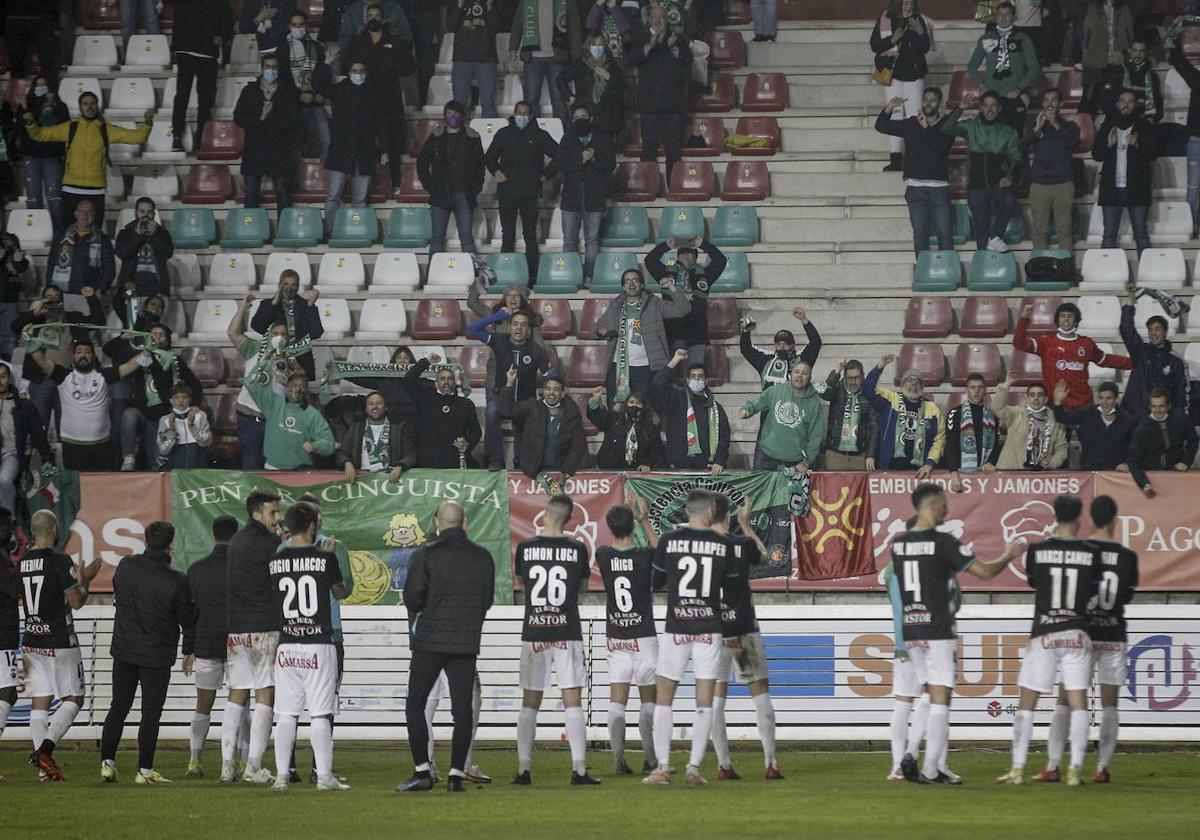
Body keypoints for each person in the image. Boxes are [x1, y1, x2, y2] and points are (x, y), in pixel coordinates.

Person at [893, 484, 1023, 784]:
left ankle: (913, 753)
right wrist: (1008, 554)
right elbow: (986, 573)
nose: (947, 510)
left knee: (927, 693)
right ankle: (931, 768)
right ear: (929, 505)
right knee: (941, 698)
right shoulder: (944, 542)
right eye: (942, 505)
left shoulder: (898, 545)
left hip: (912, 627)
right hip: (938, 627)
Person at [997, 494, 1102, 787]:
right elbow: (1093, 590)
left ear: (1054, 516)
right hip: (1077, 630)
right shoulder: (1091, 552)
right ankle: (1074, 771)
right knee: (1079, 703)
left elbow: (1034, 582)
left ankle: (1017, 769)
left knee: (1027, 702)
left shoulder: (1038, 550)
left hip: (1045, 630)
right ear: (1080, 518)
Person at [1031, 494, 1137, 785]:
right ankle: (1102, 768)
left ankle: (1053, 765)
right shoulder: (1128, 556)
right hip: (1114, 633)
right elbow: (1125, 595)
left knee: (1066, 700)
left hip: (1084, 633)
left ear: (1089, 519)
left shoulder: (1086, 549)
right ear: (1115, 519)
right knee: (1110, 704)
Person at [397, 501, 495, 793]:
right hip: (465, 641)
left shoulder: (424, 555)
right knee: (462, 710)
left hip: (429, 641)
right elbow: (486, 600)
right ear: (465, 524)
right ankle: (455, 774)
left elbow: (413, 599)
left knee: (416, 703)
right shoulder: (483, 557)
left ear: (437, 522)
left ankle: (422, 771)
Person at [643, 490, 732, 786]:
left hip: (677, 626)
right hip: (710, 626)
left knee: (664, 697)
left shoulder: (668, 541)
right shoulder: (723, 544)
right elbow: (730, 589)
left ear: (688, 511)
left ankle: (663, 768)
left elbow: (655, 582)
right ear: (709, 512)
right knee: (704, 700)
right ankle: (694, 768)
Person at [512, 494, 600, 785]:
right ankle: (579, 769)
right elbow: (582, 587)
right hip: (567, 630)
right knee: (572, 699)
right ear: (570, 519)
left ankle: (524, 770)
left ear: (544, 513)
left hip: (535, 629)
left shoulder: (525, 547)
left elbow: (524, 583)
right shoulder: (576, 548)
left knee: (530, 702)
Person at [99, 522, 194, 785]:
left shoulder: (127, 566)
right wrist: (189, 649)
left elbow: (120, 593)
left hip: (124, 649)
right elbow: (186, 617)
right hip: (156, 654)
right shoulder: (176, 580)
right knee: (150, 713)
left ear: (145, 539)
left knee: (118, 706)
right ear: (171, 545)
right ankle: (145, 770)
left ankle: (107, 763)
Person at [267, 501, 350, 793]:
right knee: (319, 713)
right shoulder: (325, 559)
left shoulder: (275, 561)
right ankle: (324, 776)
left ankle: (281, 776)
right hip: (318, 642)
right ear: (313, 526)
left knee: (286, 713)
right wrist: (328, 559)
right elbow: (339, 592)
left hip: (287, 644)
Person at [21, 510, 103, 781]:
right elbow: (77, 602)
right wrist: (85, 579)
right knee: (74, 698)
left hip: (32, 639)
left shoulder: (22, 561)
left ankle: (43, 770)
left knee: (40, 700)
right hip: (59, 640)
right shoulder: (59, 561)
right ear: (55, 528)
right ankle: (45, 751)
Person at [708, 495, 782, 781]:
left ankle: (724, 766)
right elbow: (764, 557)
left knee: (716, 698)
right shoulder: (741, 544)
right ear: (727, 517)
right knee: (759, 692)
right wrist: (746, 525)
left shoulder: (699, 549)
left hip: (712, 633)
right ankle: (771, 763)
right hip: (743, 628)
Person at [596, 499, 660, 774]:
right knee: (648, 700)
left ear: (610, 528)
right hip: (643, 635)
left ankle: (619, 760)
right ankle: (650, 760)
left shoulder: (604, 555)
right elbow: (663, 551)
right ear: (632, 524)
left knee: (616, 699)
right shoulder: (644, 556)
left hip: (616, 635)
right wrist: (645, 519)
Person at [223, 489, 283, 784]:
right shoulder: (270, 543)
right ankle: (253, 766)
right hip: (263, 627)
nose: (278, 518)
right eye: (273, 512)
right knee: (265, 694)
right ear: (257, 513)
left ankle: (226, 766)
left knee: (236, 694)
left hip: (236, 629)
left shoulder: (235, 541)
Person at [22, 92, 153, 225]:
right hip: (70, 190)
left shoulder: (106, 130)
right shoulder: (70, 128)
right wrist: (30, 123)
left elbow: (137, 138)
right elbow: (40, 135)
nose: (89, 107)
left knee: (94, 234)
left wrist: (147, 123)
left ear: (97, 106)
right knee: (67, 232)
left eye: (92, 103)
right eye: (85, 104)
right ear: (80, 107)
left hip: (95, 190)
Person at [25, 337, 143, 470]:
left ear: (93, 356)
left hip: (102, 444)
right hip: (72, 444)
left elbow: (131, 366)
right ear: (73, 357)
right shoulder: (63, 375)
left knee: (103, 487)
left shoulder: (103, 375)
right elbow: (42, 362)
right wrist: (30, 342)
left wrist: (148, 352)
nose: (83, 355)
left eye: (87, 352)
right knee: (77, 487)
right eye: (79, 352)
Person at [182, 515, 238, 779]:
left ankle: (195, 760)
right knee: (239, 705)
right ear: (236, 537)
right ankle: (234, 762)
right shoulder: (242, 567)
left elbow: (189, 614)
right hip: (239, 644)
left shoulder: (196, 569)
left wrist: (188, 649)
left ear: (212, 535)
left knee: (202, 705)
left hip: (205, 642)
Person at [105, 323, 204, 471]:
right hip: (142, 412)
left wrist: (195, 404)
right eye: (153, 334)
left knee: (156, 465)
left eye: (161, 334)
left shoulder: (175, 361)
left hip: (161, 417)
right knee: (129, 414)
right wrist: (122, 339)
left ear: (168, 339)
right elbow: (109, 351)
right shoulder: (139, 357)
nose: (157, 337)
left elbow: (194, 384)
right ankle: (128, 457)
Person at [874, 88, 961, 253]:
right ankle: (923, 273)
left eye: (933, 99)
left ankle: (946, 274)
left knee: (945, 234)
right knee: (920, 234)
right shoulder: (911, 123)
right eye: (926, 99)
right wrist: (889, 108)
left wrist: (926, 129)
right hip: (915, 188)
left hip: (939, 188)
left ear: (939, 103)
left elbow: (941, 148)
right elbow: (881, 126)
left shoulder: (947, 125)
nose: (928, 103)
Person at [466, 308, 552, 470]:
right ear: (510, 327)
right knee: (491, 413)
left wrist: (547, 396)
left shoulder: (536, 350)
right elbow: (473, 328)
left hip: (525, 400)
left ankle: (520, 461)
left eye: (523, 325)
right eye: (515, 324)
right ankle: (496, 459)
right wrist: (499, 316)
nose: (519, 328)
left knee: (524, 423)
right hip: (500, 395)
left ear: (528, 331)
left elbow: (550, 375)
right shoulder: (499, 340)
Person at [485, 102, 559, 284]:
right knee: (507, 235)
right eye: (519, 113)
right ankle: (505, 275)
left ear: (531, 115)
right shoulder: (504, 133)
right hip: (507, 192)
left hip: (530, 193)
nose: (522, 116)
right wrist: (495, 171)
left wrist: (546, 175)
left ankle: (532, 276)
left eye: (525, 113)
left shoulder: (539, 135)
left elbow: (559, 155)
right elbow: (489, 157)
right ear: (514, 113)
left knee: (530, 235)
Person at [316, 58, 390, 239]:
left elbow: (381, 123)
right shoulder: (340, 89)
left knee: (360, 198)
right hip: (341, 149)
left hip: (364, 151)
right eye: (355, 70)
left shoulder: (374, 93)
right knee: (333, 195)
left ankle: (356, 232)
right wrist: (325, 64)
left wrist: (384, 149)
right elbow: (318, 85)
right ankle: (330, 232)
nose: (358, 74)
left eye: (361, 70)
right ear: (349, 72)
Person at [12, 286, 105, 428]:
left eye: (56, 295)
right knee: (39, 422)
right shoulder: (37, 319)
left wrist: (91, 298)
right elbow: (14, 326)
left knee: (66, 423)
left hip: (68, 378)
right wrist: (35, 313)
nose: (53, 298)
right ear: (42, 299)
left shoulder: (74, 317)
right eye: (48, 296)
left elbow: (99, 322)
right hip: (41, 377)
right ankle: (39, 449)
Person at [594, 270, 691, 406]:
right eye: (627, 281)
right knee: (615, 408)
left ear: (642, 284)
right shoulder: (615, 306)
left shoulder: (654, 304)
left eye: (635, 280)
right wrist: (600, 331)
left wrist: (671, 287)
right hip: (618, 367)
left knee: (645, 408)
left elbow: (683, 309)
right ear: (623, 286)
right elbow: (596, 328)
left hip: (644, 369)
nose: (631, 284)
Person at [1013, 300, 1130, 410]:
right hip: (1056, 406)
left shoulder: (1086, 343)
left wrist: (1135, 362)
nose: (1066, 319)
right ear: (1057, 320)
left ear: (1076, 320)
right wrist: (1024, 318)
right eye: (1063, 316)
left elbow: (1105, 360)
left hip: (1083, 405)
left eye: (1070, 316)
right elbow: (1019, 344)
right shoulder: (1046, 342)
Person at [344, 2, 414, 185]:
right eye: (370, 16)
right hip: (364, 100)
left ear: (383, 19)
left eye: (377, 16)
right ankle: (368, 185)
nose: (373, 19)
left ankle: (396, 183)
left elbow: (409, 67)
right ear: (365, 19)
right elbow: (346, 66)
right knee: (364, 141)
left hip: (390, 101)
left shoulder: (395, 41)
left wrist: (391, 67)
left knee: (393, 142)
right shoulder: (357, 41)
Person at [627, 4, 691, 186]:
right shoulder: (641, 39)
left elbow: (687, 66)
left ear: (667, 19)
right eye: (654, 18)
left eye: (661, 18)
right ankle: (648, 186)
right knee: (648, 150)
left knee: (673, 151)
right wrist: (649, 46)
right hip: (649, 106)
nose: (658, 21)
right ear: (649, 20)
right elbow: (632, 59)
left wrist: (674, 50)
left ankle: (674, 187)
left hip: (672, 106)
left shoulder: (677, 39)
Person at [228, 295, 292, 469]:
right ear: (269, 335)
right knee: (251, 466)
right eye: (276, 333)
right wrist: (243, 308)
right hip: (249, 418)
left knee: (274, 467)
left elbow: (297, 390)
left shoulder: (291, 359)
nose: (279, 337)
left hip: (274, 421)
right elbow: (233, 333)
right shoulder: (255, 349)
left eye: (283, 334)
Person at [953, 91, 1022, 252]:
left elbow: (1016, 157)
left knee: (1009, 201)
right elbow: (945, 128)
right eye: (986, 105)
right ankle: (984, 266)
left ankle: (996, 237)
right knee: (981, 228)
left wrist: (1009, 176)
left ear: (999, 108)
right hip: (976, 187)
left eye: (993, 106)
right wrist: (960, 108)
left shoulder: (1008, 132)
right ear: (980, 108)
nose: (990, 110)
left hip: (997, 184)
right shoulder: (970, 126)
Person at [558, 102, 617, 286]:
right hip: (570, 198)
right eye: (576, 118)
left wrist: (594, 159)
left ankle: (590, 277)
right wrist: (581, 159)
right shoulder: (567, 139)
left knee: (592, 241)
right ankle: (570, 276)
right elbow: (562, 163)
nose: (580, 121)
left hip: (594, 196)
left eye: (583, 117)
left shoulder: (603, 138)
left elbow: (610, 164)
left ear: (590, 118)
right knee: (569, 241)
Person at [870, 0, 933, 172]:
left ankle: (914, 157)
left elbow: (925, 47)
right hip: (892, 73)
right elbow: (874, 45)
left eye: (910, 3)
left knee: (914, 116)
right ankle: (895, 159)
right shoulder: (886, 19)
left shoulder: (919, 19)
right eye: (904, 3)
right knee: (895, 114)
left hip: (914, 75)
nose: (908, 6)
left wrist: (921, 32)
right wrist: (892, 39)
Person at [646, 236, 727, 367]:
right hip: (672, 333)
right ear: (677, 257)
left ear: (696, 257)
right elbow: (650, 260)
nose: (685, 256)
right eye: (682, 253)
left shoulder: (705, 275)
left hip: (697, 334)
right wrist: (666, 246)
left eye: (690, 253)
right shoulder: (667, 274)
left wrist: (703, 244)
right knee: (670, 375)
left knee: (694, 371)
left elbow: (720, 260)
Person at [417, 100, 486, 257]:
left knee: (467, 238)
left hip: (464, 194)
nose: (452, 116)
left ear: (462, 116)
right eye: (449, 113)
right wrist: (429, 185)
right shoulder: (436, 136)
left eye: (455, 113)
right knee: (437, 238)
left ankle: (473, 273)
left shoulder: (473, 136)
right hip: (440, 194)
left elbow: (480, 166)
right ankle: (432, 275)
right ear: (444, 116)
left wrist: (475, 189)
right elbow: (422, 161)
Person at [234, 53, 302, 209]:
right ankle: (250, 231)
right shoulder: (249, 91)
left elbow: (295, 121)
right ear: (262, 68)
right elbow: (238, 118)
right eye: (268, 67)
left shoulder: (289, 92)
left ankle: (285, 231)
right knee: (251, 191)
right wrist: (260, 118)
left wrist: (274, 116)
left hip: (280, 150)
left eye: (274, 67)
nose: (271, 70)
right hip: (254, 149)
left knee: (283, 191)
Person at [244, 355, 335, 471]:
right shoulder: (273, 403)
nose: (297, 390)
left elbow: (329, 444)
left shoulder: (312, 414)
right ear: (286, 388)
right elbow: (250, 383)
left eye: (302, 387)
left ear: (306, 390)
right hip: (272, 468)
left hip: (300, 471)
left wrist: (315, 446)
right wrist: (265, 362)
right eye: (293, 386)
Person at [1095, 88, 1156, 256]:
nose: (1126, 105)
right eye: (1123, 101)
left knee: (1141, 235)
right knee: (1108, 236)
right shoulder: (1107, 126)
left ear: (1135, 105)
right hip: (1111, 189)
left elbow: (1153, 154)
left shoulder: (1144, 126)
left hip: (1137, 188)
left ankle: (1146, 275)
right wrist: (1108, 144)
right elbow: (1097, 155)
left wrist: (1137, 144)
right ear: (1117, 104)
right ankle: (1106, 278)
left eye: (1130, 101)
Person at [652, 349, 731, 473]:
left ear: (705, 381)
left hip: (706, 467)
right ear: (688, 380)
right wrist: (675, 360)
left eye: (700, 377)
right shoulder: (676, 399)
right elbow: (658, 383)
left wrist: (719, 460)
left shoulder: (715, 408)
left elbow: (724, 437)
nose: (696, 380)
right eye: (693, 377)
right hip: (678, 466)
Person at [865, 354, 944, 477]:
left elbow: (939, 440)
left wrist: (929, 463)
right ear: (902, 384)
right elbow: (867, 390)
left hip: (920, 472)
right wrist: (880, 367)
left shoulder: (933, 410)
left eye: (917, 381)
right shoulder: (891, 400)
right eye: (909, 380)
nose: (913, 384)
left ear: (922, 387)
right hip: (889, 468)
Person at [501, 369, 587, 483]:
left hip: (560, 472)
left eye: (556, 390)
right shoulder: (533, 406)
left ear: (563, 394)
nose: (551, 393)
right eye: (548, 389)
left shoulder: (572, 413)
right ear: (544, 391)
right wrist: (509, 384)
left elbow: (578, 445)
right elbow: (507, 410)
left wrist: (566, 471)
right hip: (533, 473)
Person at [738, 360, 824, 472]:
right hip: (767, 457)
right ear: (790, 374)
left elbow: (816, 436)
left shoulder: (814, 403)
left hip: (795, 463)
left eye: (804, 373)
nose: (800, 376)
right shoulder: (775, 391)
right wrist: (747, 409)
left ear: (810, 377)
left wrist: (807, 461)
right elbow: (756, 403)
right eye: (797, 372)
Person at [171, 0, 234, 153]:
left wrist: (223, 35)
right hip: (187, 50)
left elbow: (227, 18)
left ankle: (201, 138)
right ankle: (177, 136)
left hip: (206, 51)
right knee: (183, 96)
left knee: (205, 99)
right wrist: (176, 47)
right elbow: (177, 17)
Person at [397, 354, 482, 468]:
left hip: (456, 463)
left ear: (455, 382)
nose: (446, 382)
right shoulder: (425, 400)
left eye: (450, 378)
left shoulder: (466, 404)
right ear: (436, 383)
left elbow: (476, 432)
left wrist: (468, 444)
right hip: (428, 463)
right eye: (442, 379)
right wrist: (426, 361)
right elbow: (408, 381)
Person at [966, 3, 1038, 133]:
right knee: (992, 137)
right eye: (1000, 14)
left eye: (1007, 14)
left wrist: (1019, 89)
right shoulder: (987, 38)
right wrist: (981, 85)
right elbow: (971, 67)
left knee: (1015, 137)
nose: (1003, 18)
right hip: (993, 98)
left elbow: (1034, 68)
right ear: (995, 17)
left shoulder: (1023, 38)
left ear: (1014, 16)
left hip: (1015, 97)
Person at [1023, 89, 1080, 252]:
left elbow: (1073, 143)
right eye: (1046, 100)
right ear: (1042, 104)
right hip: (1039, 185)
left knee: (1064, 231)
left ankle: (1066, 269)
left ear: (1060, 104)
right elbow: (1022, 147)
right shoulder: (1035, 126)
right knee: (1040, 231)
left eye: (1054, 100)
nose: (1049, 104)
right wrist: (1036, 130)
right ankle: (1040, 271)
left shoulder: (1070, 126)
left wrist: (1055, 123)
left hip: (1063, 185)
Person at [509, 0, 583, 123]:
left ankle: (561, 135)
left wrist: (577, 56)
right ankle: (532, 135)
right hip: (532, 57)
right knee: (531, 99)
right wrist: (513, 49)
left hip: (557, 57)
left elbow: (575, 27)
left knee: (559, 99)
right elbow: (517, 24)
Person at [274, 8, 331, 162]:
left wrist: (318, 94)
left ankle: (324, 181)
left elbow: (323, 74)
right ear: (289, 26)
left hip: (315, 103)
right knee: (295, 144)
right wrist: (299, 95)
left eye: (301, 24)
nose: (298, 28)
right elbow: (282, 79)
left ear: (306, 26)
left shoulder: (316, 47)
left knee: (327, 141)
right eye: (294, 24)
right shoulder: (282, 49)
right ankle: (297, 181)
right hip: (294, 104)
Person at [1120, 290, 1188, 413]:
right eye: (1150, 330)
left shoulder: (1176, 362)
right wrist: (1129, 305)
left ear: (1165, 332)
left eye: (1157, 329)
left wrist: (1178, 421)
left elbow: (1181, 396)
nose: (1153, 334)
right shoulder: (1140, 352)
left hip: (1159, 419)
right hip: (1134, 415)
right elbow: (1126, 329)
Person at [250, 271, 325, 380]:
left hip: (301, 360)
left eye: (293, 285)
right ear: (279, 285)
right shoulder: (268, 304)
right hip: (275, 359)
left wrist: (310, 305)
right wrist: (274, 303)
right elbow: (258, 327)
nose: (290, 288)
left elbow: (316, 332)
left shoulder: (305, 305)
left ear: (298, 286)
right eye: (286, 284)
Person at [1126, 388, 1198, 498]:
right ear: (1149, 407)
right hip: (1153, 476)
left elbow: (1193, 440)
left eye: (1161, 406)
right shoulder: (1142, 429)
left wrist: (1185, 461)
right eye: (1154, 406)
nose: (1157, 410)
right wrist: (1144, 483)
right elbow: (1133, 460)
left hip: (1177, 474)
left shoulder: (1180, 418)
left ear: (1168, 406)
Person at [17, 77, 70, 228]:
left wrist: (52, 106)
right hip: (31, 156)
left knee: (54, 197)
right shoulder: (27, 105)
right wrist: (26, 112)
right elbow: (20, 130)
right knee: (33, 198)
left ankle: (58, 233)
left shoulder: (60, 106)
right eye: (38, 85)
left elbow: (64, 128)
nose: (41, 88)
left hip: (52, 156)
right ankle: (36, 229)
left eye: (44, 85)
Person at [1052, 380, 1138, 470]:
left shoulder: (1128, 420)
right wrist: (1058, 401)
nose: (1104, 402)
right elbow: (1062, 418)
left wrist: (1128, 464)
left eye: (1109, 398)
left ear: (1116, 399)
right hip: (1089, 472)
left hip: (1116, 474)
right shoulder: (1087, 413)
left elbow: (1136, 448)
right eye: (1101, 398)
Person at [0, 363, 51, 512]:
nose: (0, 381)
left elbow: (38, 435)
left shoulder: (24, 406)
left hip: (11, 454)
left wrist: (48, 460)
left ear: (10, 379)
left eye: (3, 377)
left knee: (4, 479)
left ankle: (9, 522)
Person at [335, 390, 416, 483]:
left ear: (385, 407)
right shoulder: (356, 428)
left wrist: (400, 466)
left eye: (379, 403)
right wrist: (347, 463)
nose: (375, 407)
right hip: (362, 479)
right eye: (371, 404)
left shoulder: (398, 428)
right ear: (366, 409)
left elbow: (411, 454)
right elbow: (341, 453)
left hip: (390, 480)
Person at [557, 33, 627, 140]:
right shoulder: (580, 63)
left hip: (607, 111)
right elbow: (560, 79)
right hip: (586, 109)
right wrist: (569, 96)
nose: (597, 48)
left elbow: (622, 87)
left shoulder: (612, 64)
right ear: (588, 47)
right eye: (594, 45)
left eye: (600, 45)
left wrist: (609, 77)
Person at [991, 375, 1068, 471]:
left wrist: (1052, 463)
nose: (1036, 398)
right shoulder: (1016, 414)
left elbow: (1061, 448)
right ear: (1027, 399)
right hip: (1010, 473)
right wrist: (1005, 387)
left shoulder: (1056, 423)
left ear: (1046, 399)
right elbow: (996, 407)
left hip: (1039, 476)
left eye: (1040, 395)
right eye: (1032, 395)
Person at [818, 360, 879, 471]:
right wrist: (837, 372)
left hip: (860, 455)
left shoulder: (868, 393)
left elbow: (874, 426)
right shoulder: (838, 388)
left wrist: (871, 454)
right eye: (849, 378)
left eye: (856, 378)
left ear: (863, 376)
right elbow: (824, 393)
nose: (853, 382)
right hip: (835, 453)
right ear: (845, 377)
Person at [943, 373, 1001, 490]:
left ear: (985, 390)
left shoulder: (993, 416)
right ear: (967, 390)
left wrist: (991, 462)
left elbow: (996, 444)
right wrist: (954, 475)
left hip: (985, 476)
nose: (976, 391)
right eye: (973, 387)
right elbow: (950, 446)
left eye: (980, 387)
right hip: (960, 474)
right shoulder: (955, 413)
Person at [740, 309, 823, 390]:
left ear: (794, 344)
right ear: (775, 345)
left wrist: (804, 320)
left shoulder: (802, 359)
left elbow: (815, 342)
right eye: (779, 344)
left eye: (786, 343)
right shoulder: (766, 360)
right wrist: (746, 331)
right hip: (770, 403)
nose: (783, 347)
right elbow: (746, 349)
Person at [44, 200, 115, 294]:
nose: (85, 215)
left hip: (89, 293)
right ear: (76, 214)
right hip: (62, 292)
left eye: (89, 212)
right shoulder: (61, 237)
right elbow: (51, 264)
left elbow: (109, 269)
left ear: (94, 215)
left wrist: (101, 290)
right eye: (82, 211)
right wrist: (49, 287)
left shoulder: (103, 239)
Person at [587, 386, 665, 471]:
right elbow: (595, 416)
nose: (634, 405)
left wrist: (648, 464)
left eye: (638, 403)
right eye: (631, 402)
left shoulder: (651, 427)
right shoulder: (614, 419)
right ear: (626, 404)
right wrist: (595, 399)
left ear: (644, 407)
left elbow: (657, 450)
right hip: (608, 470)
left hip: (636, 473)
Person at [447, 0, 502, 119]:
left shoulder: (491, 3)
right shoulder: (457, 3)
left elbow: (497, 27)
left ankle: (489, 133)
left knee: (488, 102)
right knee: (459, 103)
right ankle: (459, 134)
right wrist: (459, 5)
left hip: (487, 60)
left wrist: (489, 6)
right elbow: (450, 26)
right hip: (462, 59)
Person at [1170, 38, 1200, 238]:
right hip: (1197, 140)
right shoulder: (1198, 80)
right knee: (1194, 185)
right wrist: (1176, 38)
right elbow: (1178, 60)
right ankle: (1192, 225)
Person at [114, 197, 174, 298]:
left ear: (154, 214)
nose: (145, 216)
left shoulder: (162, 233)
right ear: (135, 213)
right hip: (131, 285)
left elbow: (167, 253)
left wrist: (155, 235)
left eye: (149, 212)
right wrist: (138, 236)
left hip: (157, 286)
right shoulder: (125, 233)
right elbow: (123, 254)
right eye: (142, 211)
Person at [1096, 37, 1161, 124]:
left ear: (1146, 52)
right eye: (1135, 50)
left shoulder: (1153, 77)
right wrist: (1121, 118)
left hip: (1141, 122)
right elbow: (1106, 100)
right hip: (1116, 121)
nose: (1138, 54)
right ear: (1129, 51)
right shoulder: (1117, 72)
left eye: (1141, 51)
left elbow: (1157, 103)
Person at [0, 508, 19, 772]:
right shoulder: (3, 561)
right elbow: (16, 590)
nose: (10, 532)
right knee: (7, 692)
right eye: (5, 526)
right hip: (2, 634)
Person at [156, 381, 213, 470]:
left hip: (198, 464)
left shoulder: (200, 415)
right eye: (177, 398)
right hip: (176, 466)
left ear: (189, 399)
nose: (181, 400)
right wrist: (172, 431)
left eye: (184, 397)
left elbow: (207, 442)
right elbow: (163, 450)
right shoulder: (165, 420)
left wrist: (192, 427)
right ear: (171, 401)